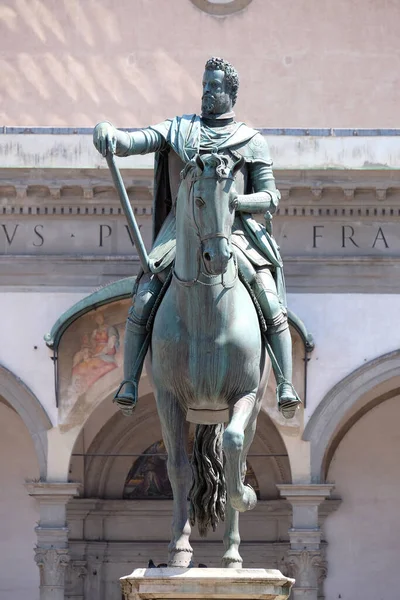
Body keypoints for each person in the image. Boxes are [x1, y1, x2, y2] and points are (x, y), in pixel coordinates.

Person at [93, 57, 300, 419]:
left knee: (269, 299)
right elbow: (137, 141)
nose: (206, 91)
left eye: (214, 86)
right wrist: (112, 134)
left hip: (233, 231)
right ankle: (129, 381)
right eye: (204, 85)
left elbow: (271, 197)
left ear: (230, 93)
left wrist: (237, 201)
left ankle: (284, 384)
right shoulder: (180, 130)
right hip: (183, 230)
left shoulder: (250, 141)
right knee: (143, 298)